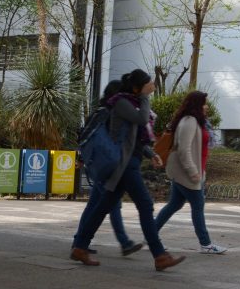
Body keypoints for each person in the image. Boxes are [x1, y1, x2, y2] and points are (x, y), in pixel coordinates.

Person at [70, 69, 185, 271]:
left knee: (104, 206)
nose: (152, 85)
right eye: (148, 82)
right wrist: (145, 97)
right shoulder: (122, 102)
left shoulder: (131, 102)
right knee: (145, 204)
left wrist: (150, 153)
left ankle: (80, 246)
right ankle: (159, 255)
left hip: (129, 162)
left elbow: (135, 139)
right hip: (125, 164)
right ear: (137, 87)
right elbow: (141, 120)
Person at [73, 80, 143, 257]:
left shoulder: (103, 111)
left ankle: (79, 242)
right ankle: (124, 242)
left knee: (95, 205)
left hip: (104, 164)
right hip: (106, 165)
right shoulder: (107, 113)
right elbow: (93, 138)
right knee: (112, 203)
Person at [155, 91, 227, 254]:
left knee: (174, 204)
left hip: (189, 171)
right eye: (204, 103)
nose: (207, 106)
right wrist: (193, 172)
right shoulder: (189, 121)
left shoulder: (196, 121)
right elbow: (184, 150)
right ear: (197, 105)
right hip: (186, 173)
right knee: (198, 206)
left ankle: (150, 234)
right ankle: (206, 244)